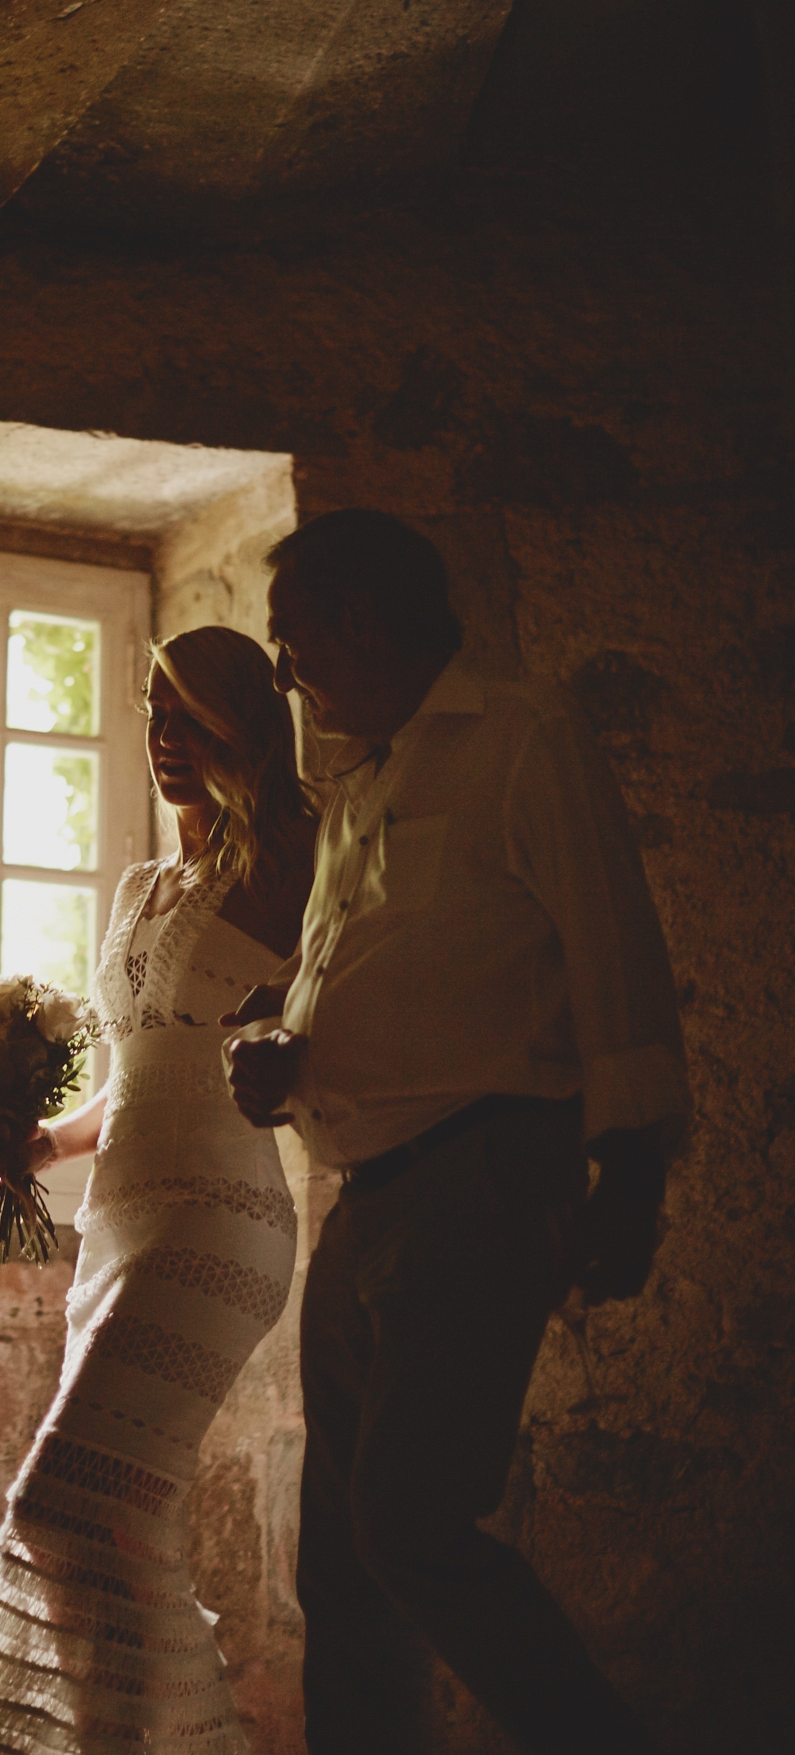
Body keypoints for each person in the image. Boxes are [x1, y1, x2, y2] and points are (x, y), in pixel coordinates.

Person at [224, 509, 691, 1755]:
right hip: (365, 1201)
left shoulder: (521, 738)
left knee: (411, 1528)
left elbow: (612, 945)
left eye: (291, 641)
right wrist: (284, 1047)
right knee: (344, 1561)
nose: (286, 671)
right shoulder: (364, 783)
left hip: (479, 1179)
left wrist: (630, 1172)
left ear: (360, 621)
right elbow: (376, 976)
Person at [0, 624, 318, 1755]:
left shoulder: (292, 858)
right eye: (153, 712)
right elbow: (143, 1071)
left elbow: (319, 1025)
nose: (165, 737)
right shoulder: (143, 885)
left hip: (218, 1221)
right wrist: (38, 1142)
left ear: (244, 725)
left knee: (62, 1504)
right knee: (117, 1523)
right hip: (119, 1222)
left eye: (192, 714)